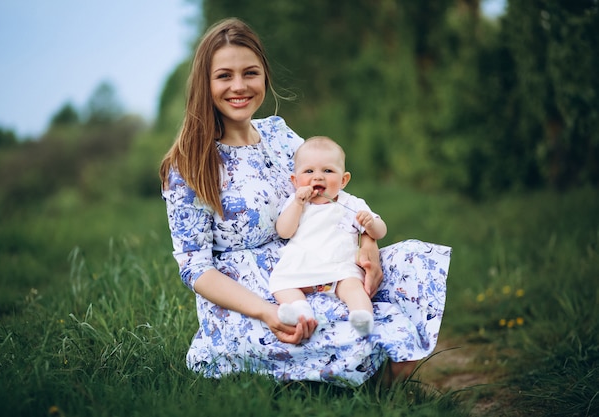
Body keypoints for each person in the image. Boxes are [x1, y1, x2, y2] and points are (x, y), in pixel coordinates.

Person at [159, 17, 451, 386]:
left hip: (318, 257)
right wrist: (267, 312)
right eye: (224, 76)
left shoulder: (279, 135)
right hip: (252, 295)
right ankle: (359, 383)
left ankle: (377, 375)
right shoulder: (189, 164)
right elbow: (195, 268)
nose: (239, 86)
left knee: (410, 263)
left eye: (250, 73)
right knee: (337, 331)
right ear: (205, 82)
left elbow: (334, 193)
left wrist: (369, 245)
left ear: (264, 76)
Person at [270, 136, 387, 337]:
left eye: (328, 171)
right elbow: (284, 231)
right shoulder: (297, 203)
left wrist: (371, 224)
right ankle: (299, 310)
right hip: (301, 267)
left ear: (344, 180)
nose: (318, 177)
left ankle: (362, 316)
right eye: (309, 171)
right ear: (295, 180)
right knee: (281, 284)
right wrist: (298, 203)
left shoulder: (351, 203)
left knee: (353, 287)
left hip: (338, 267)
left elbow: (381, 231)